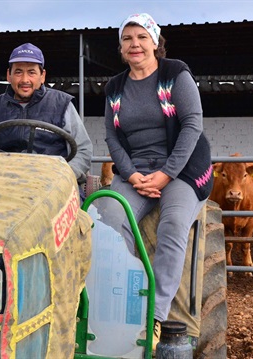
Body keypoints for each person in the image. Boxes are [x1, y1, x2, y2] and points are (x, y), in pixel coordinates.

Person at [102, 13, 214, 351]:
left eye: (141, 37)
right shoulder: (114, 87)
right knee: (108, 221)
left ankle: (155, 315)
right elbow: (111, 138)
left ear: (155, 42)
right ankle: (121, 308)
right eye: (127, 39)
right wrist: (133, 175)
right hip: (136, 171)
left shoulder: (174, 74)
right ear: (121, 47)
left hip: (181, 168)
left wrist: (166, 174)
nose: (134, 44)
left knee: (174, 224)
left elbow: (193, 125)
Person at [0, 42, 93, 185]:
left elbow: (83, 150)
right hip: (6, 183)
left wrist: (63, 176)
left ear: (42, 76)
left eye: (31, 72)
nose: (24, 80)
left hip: (52, 182)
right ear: (8, 75)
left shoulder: (62, 104)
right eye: (18, 72)